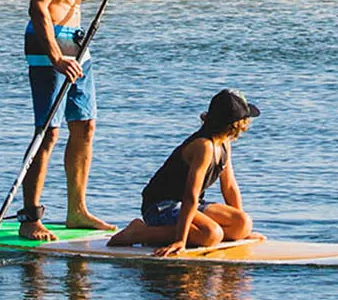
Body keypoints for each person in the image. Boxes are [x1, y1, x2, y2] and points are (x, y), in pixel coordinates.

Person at [20, 0, 128, 241]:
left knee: (85, 125)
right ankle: (31, 217)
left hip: (78, 42)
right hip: (48, 41)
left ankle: (76, 211)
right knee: (47, 133)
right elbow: (39, 6)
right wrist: (54, 56)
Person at [109, 90, 261, 258]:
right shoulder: (203, 146)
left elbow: (229, 185)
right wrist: (180, 240)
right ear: (234, 123)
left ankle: (189, 232)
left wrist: (240, 234)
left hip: (188, 204)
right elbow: (190, 194)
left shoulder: (224, 143)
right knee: (212, 234)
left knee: (243, 223)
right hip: (161, 205)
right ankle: (139, 232)